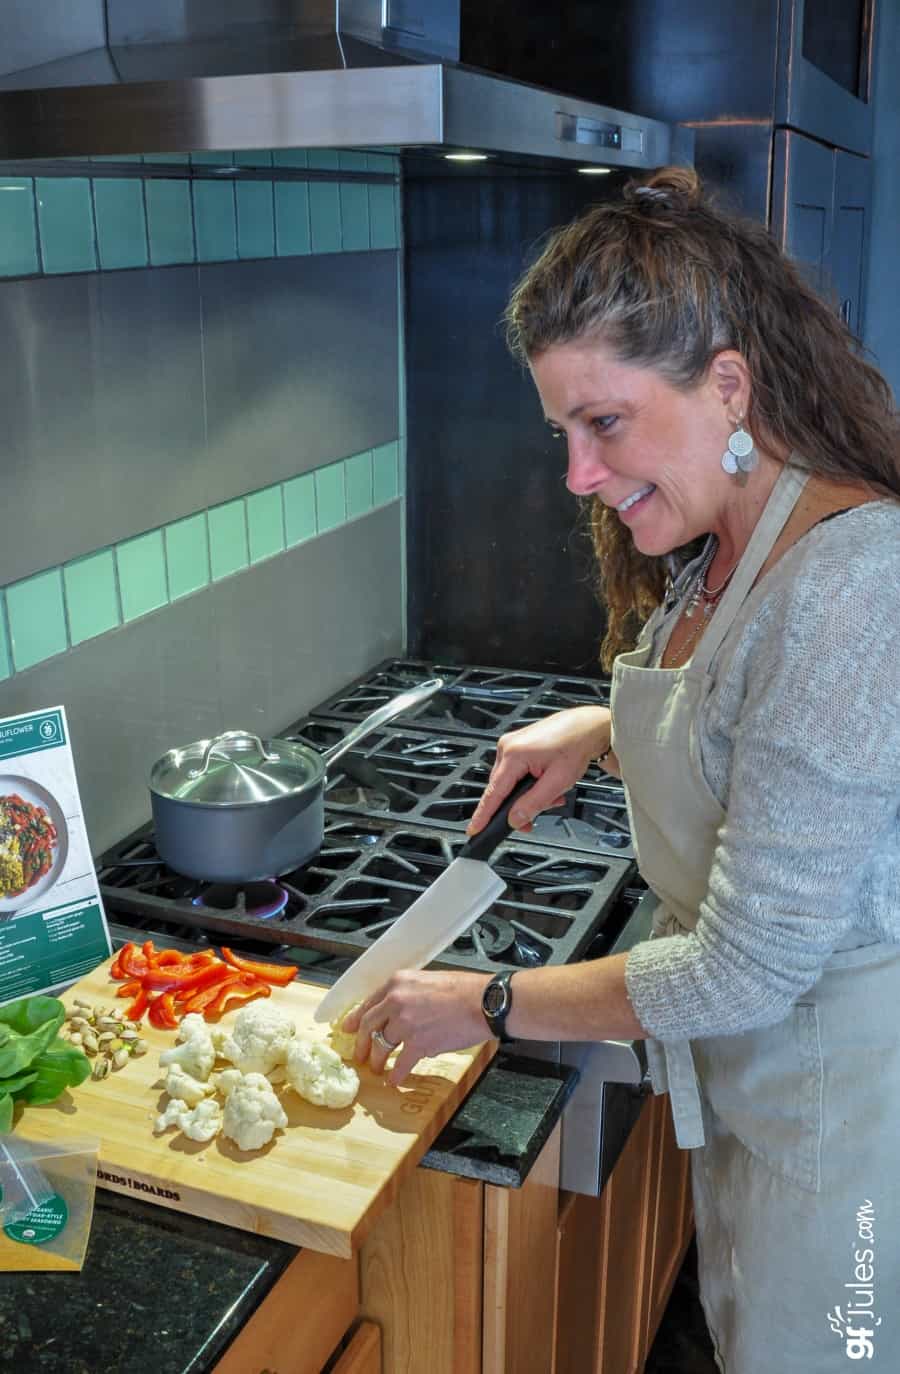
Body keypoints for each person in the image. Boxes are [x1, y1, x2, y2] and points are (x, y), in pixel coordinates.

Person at [343, 166, 900, 1370]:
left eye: (606, 423)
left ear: (729, 386)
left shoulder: (855, 583)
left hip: (847, 1122)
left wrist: (483, 1005)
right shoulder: (736, 535)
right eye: (565, 432)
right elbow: (749, 699)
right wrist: (601, 728)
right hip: (771, 1099)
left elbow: (745, 969)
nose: (577, 475)